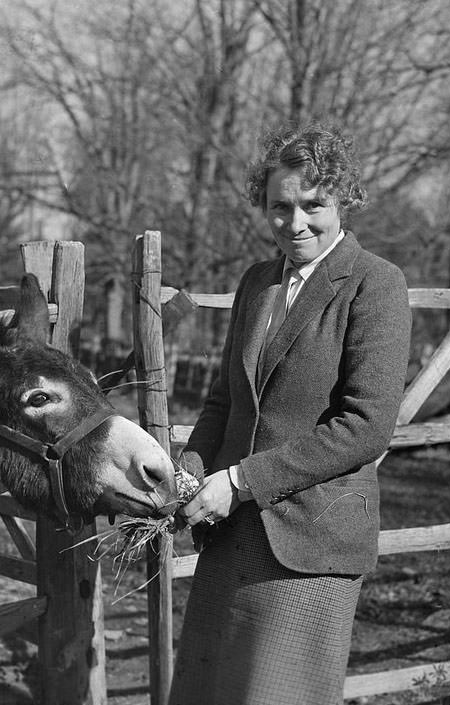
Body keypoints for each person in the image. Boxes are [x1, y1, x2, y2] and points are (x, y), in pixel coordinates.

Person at [171, 122, 412, 705]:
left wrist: (241, 480)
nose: (296, 222)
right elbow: (224, 401)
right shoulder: (256, 283)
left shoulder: (374, 284)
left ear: (343, 200)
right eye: (280, 206)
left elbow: (366, 426)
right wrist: (191, 468)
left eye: (313, 205)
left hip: (311, 541)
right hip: (232, 534)